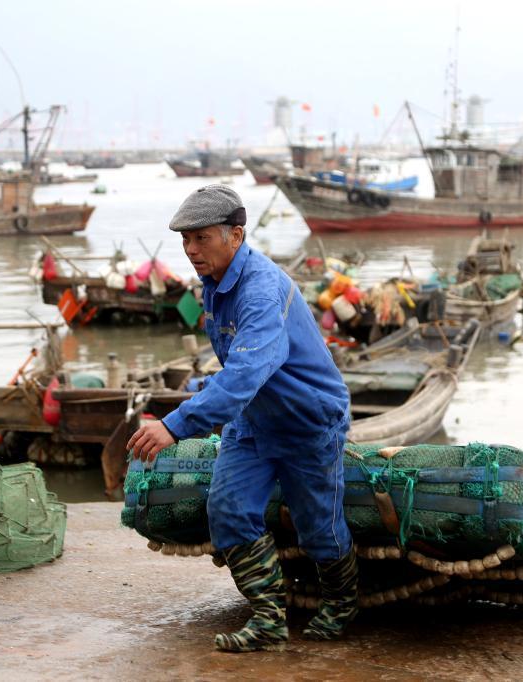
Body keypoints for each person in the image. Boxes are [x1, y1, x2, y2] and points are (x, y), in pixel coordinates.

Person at [127, 184, 358, 653]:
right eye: (185, 240)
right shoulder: (213, 286)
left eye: (202, 238)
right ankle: (269, 620)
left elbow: (247, 371)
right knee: (228, 511)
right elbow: (237, 370)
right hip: (253, 421)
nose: (191, 250)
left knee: (320, 527)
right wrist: (204, 398)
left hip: (307, 421)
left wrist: (174, 424)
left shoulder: (260, 290)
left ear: (236, 235)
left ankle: (341, 603)